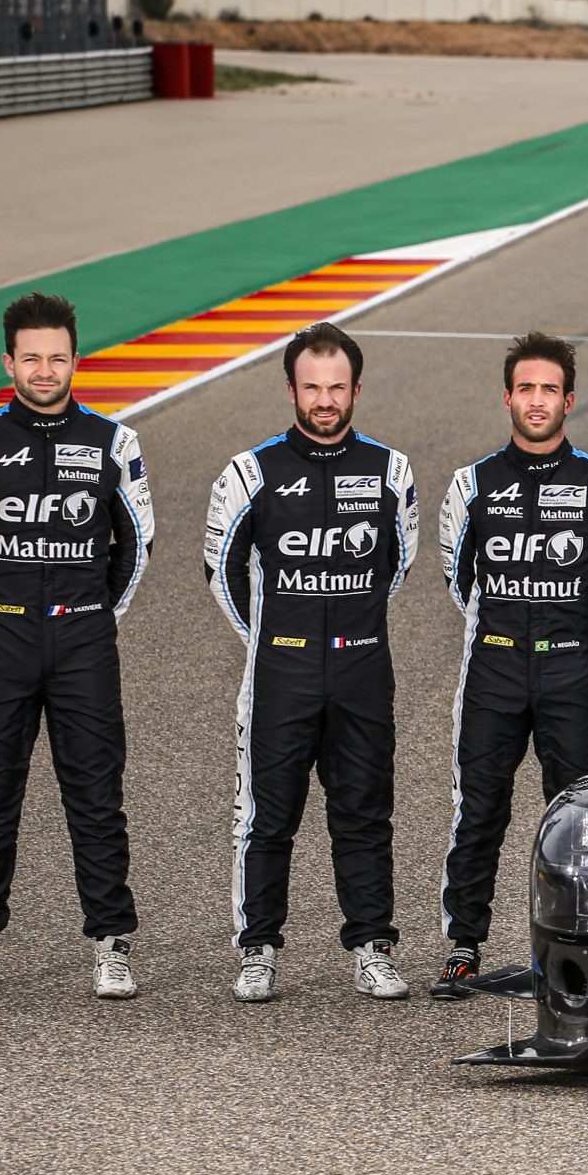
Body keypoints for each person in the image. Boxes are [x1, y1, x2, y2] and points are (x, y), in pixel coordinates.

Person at [0, 291, 156, 1000]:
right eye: (32, 358)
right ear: (9, 363)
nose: (45, 369)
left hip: (84, 638)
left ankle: (112, 944)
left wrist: (90, 613)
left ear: (75, 360)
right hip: (2, 639)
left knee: (96, 796)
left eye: (57, 357)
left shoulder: (115, 441)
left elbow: (137, 547)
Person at [202, 321, 419, 1003]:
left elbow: (399, 563)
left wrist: (349, 625)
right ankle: (258, 948)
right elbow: (221, 570)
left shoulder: (391, 469)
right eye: (311, 388)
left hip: (361, 669)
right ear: (292, 389)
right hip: (280, 674)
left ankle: (372, 947)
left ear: (356, 389)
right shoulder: (250, 472)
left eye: (336, 388)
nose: (324, 401)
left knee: (364, 813)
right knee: (268, 816)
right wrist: (272, 638)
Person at [431, 331, 588, 997]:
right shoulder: (471, 484)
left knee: (579, 817)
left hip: (572, 669)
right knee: (478, 811)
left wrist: (561, 631)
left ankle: (576, 953)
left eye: (550, 389)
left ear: (569, 400)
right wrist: (510, 630)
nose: (537, 400)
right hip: (492, 669)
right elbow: (457, 580)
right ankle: (463, 946)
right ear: (508, 398)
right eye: (526, 388)